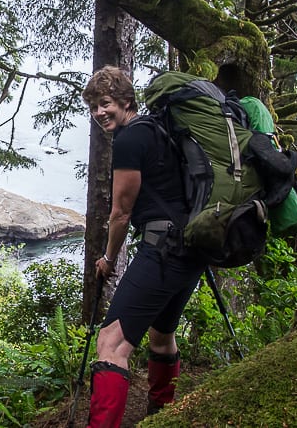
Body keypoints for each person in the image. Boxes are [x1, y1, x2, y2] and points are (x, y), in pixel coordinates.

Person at [81, 66, 208, 427]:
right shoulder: (159, 128)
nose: (99, 113)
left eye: (105, 104)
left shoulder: (129, 140)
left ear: (125, 101)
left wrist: (107, 258)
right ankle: (160, 412)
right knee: (162, 334)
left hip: (163, 250)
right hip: (191, 250)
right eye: (93, 107)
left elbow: (121, 213)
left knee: (111, 344)